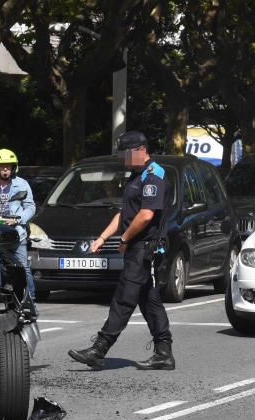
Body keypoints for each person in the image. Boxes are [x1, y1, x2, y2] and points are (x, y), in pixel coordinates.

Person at [68, 130, 175, 371]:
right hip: (136, 246)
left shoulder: (154, 176)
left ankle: (100, 348)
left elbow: (146, 215)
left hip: (144, 247)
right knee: (149, 300)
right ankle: (164, 352)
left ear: (139, 150)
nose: (123, 159)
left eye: (126, 154)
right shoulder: (136, 176)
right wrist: (103, 238)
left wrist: (125, 238)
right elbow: (124, 213)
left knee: (124, 298)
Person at [0, 148, 37, 303]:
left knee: (22, 266)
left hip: (16, 232)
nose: (5, 169)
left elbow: (31, 207)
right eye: (2, 166)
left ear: (13, 167)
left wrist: (18, 219)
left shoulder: (22, 184)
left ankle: (29, 299)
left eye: (8, 166)